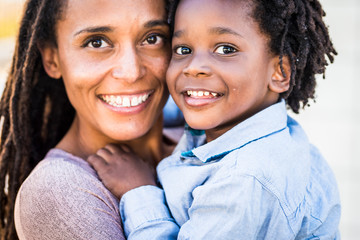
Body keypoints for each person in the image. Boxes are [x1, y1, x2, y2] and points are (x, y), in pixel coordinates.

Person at [88, 0, 341, 239]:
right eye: (183, 50)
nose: (193, 67)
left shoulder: (245, 180)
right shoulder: (258, 128)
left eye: (225, 49)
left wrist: (138, 190)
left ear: (280, 71)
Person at [0, 0, 177, 239]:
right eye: (97, 42)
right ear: (52, 59)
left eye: (153, 38)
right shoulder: (58, 191)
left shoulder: (202, 145)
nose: (131, 72)